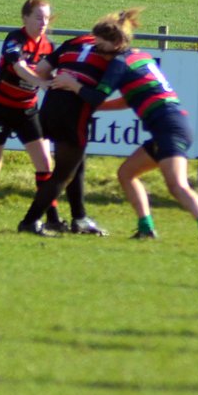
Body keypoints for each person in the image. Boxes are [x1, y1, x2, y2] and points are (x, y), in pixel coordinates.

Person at [49, 10, 198, 245]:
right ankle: (145, 228)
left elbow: (96, 96)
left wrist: (73, 84)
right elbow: (127, 99)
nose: (97, 52)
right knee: (126, 174)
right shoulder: (139, 56)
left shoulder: (119, 64)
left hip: (169, 127)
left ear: (116, 43)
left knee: (177, 185)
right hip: (169, 127)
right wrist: (96, 108)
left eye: (100, 47)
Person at [0, 0, 73, 230]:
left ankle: (52, 217)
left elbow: (53, 74)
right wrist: (40, 82)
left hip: (27, 110)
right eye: (38, 17)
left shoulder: (49, 47)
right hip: (0, 108)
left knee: (45, 163)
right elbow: (18, 66)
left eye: (46, 18)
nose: (43, 23)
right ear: (25, 18)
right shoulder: (15, 38)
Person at [14, 18, 122, 237]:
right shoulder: (115, 54)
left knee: (75, 162)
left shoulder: (75, 42)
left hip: (51, 105)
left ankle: (79, 217)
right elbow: (97, 97)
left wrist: (58, 81)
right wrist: (75, 84)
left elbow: (42, 69)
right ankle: (30, 221)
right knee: (63, 173)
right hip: (74, 110)